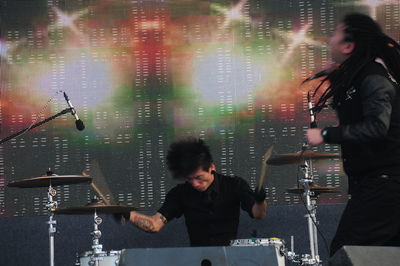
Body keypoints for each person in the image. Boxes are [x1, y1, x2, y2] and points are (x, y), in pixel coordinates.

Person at [306, 13, 400, 256]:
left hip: (385, 184)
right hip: (377, 185)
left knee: (345, 253)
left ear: (348, 45)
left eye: (335, 34)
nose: (329, 39)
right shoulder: (361, 76)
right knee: (383, 256)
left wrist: (325, 134)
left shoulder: (373, 77)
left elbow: (377, 127)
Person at [120, 138, 268, 246]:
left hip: (230, 257)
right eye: (189, 179)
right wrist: (127, 214)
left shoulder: (234, 185)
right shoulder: (180, 193)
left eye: (199, 178)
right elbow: (154, 224)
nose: (195, 184)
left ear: (211, 167)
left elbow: (258, 214)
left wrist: (260, 200)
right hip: (198, 258)